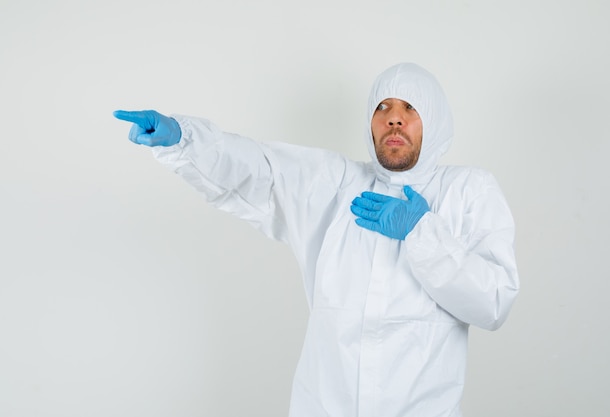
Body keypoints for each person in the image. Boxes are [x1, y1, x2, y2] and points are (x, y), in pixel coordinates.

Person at [113, 62, 519, 417]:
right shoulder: (338, 186)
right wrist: (183, 140)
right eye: (383, 108)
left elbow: (493, 302)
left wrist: (422, 233)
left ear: (435, 119)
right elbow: (260, 170)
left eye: (410, 108)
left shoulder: (468, 192)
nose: (395, 119)